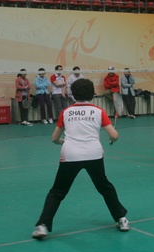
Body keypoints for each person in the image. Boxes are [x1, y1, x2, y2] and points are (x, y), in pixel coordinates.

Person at [32, 78, 129, 239]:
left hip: (70, 155)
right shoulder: (98, 111)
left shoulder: (66, 112)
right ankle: (121, 219)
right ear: (92, 94)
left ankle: (42, 226)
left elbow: (54, 138)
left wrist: (62, 141)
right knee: (105, 188)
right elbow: (114, 135)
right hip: (93, 155)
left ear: (72, 94)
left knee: (57, 191)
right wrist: (113, 138)